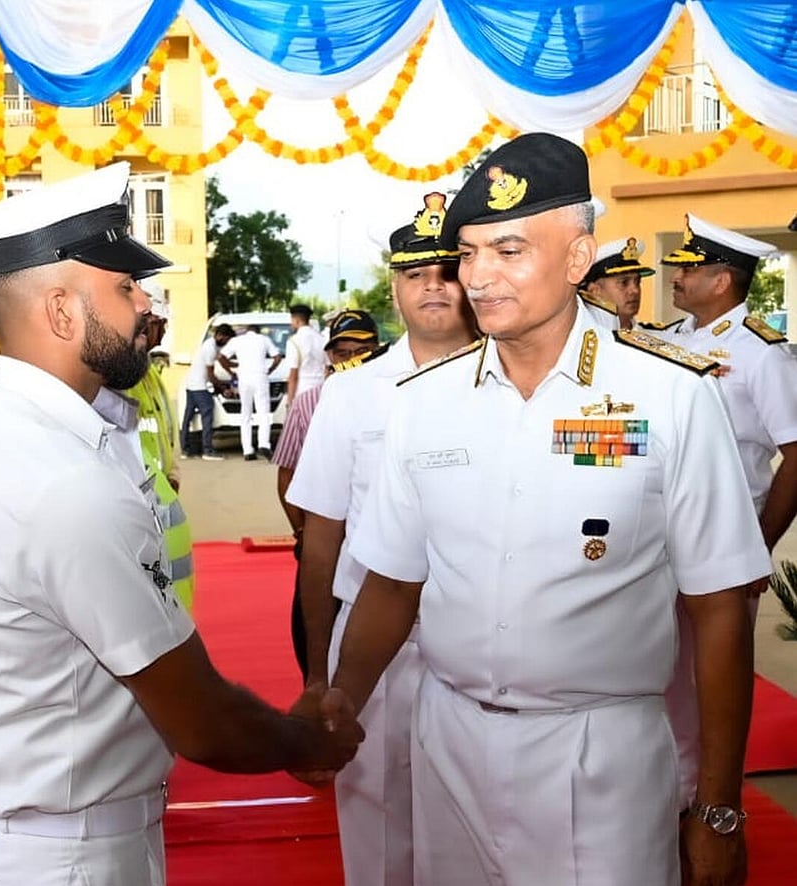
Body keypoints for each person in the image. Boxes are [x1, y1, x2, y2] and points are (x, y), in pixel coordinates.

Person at [323, 134, 771, 886]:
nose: (481, 278)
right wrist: (339, 701)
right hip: (448, 745)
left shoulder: (670, 395)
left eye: (508, 250)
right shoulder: (424, 405)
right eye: (468, 255)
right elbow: (393, 584)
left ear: (576, 258)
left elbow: (721, 607)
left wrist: (718, 809)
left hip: (600, 758)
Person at [0, 161, 363, 886]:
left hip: (64, 839)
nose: (144, 305)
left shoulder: (7, 434)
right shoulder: (59, 477)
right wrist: (304, 739)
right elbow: (200, 720)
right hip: (71, 859)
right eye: (124, 288)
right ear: (61, 311)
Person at [286, 193, 477, 886]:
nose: (432, 284)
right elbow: (321, 539)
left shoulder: (517, 387)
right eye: (415, 272)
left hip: (479, 639)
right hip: (372, 650)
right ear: (395, 287)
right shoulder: (352, 394)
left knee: (476, 827)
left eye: (447, 269)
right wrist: (316, 675)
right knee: (378, 829)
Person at [657, 212, 797, 810]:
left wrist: (759, 543)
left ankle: (709, 806)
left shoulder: (763, 352)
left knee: (714, 684)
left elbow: (796, 453)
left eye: (690, 268)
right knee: (661, 676)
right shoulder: (670, 339)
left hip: (728, 541)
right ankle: (666, 794)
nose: (677, 277)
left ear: (723, 281)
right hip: (661, 540)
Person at [272, 309, 381, 680]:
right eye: (342, 351)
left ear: (378, 349)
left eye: (361, 349)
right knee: (314, 632)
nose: (351, 359)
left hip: (373, 549)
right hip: (323, 544)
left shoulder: (395, 398)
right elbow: (286, 474)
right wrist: (305, 534)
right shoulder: (308, 403)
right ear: (329, 355)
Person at [125, 280, 195, 609]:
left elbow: (166, 433)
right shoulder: (122, 381)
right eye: (155, 324)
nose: (160, 331)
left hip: (164, 507)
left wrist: (174, 472)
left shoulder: (150, 373)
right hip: (143, 515)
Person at [219, 324, 283, 460]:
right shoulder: (264, 339)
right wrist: (270, 369)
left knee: (245, 413)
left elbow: (221, 357)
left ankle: (247, 450)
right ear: (258, 332)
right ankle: (264, 444)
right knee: (263, 413)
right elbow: (277, 357)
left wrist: (231, 369)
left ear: (247, 331)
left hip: (244, 378)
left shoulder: (237, 341)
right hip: (260, 377)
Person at [179, 321, 235, 461]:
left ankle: (185, 451)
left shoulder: (210, 344)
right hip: (200, 387)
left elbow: (221, 362)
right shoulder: (210, 348)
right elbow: (211, 375)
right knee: (208, 416)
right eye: (227, 340)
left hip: (191, 384)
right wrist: (223, 388)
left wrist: (234, 368)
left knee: (187, 418)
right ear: (221, 336)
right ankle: (208, 450)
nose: (227, 343)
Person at [581, 235, 656, 329]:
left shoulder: (655, 337)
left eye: (637, 282)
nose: (635, 290)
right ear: (594, 291)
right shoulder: (580, 338)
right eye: (624, 283)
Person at [285, 302, 327, 406]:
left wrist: (289, 401)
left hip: (302, 391)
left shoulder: (293, 341)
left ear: (297, 320)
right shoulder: (322, 339)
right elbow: (328, 368)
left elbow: (293, 375)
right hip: (321, 390)